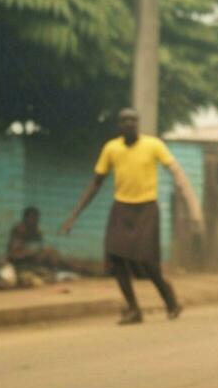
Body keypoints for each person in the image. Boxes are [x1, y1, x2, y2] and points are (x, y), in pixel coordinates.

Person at [61, 108, 203, 324]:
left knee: (148, 264)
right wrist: (74, 215)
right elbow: (96, 183)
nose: (129, 124)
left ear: (138, 124)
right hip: (121, 207)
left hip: (147, 207)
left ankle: (170, 300)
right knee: (115, 257)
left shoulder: (153, 145)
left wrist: (192, 205)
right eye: (124, 121)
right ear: (119, 126)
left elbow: (175, 171)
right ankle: (134, 309)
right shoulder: (111, 148)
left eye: (133, 120)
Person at [7, 207, 96, 279]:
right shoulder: (19, 230)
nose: (35, 221)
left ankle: (81, 270)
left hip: (35, 261)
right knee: (53, 256)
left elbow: (39, 247)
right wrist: (36, 253)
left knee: (57, 257)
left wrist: (40, 252)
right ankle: (81, 270)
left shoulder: (36, 231)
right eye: (33, 218)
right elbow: (14, 254)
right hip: (22, 264)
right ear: (26, 219)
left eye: (36, 218)